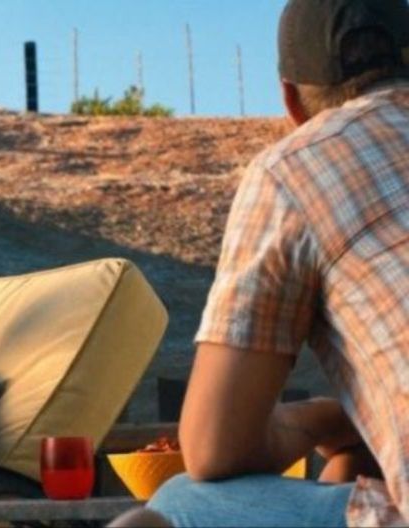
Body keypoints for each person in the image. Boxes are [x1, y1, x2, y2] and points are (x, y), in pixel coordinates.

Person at [144, 0, 409, 526]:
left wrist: (320, 419)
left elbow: (214, 447)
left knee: (179, 504)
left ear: (291, 101)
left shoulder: (294, 167)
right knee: (355, 468)